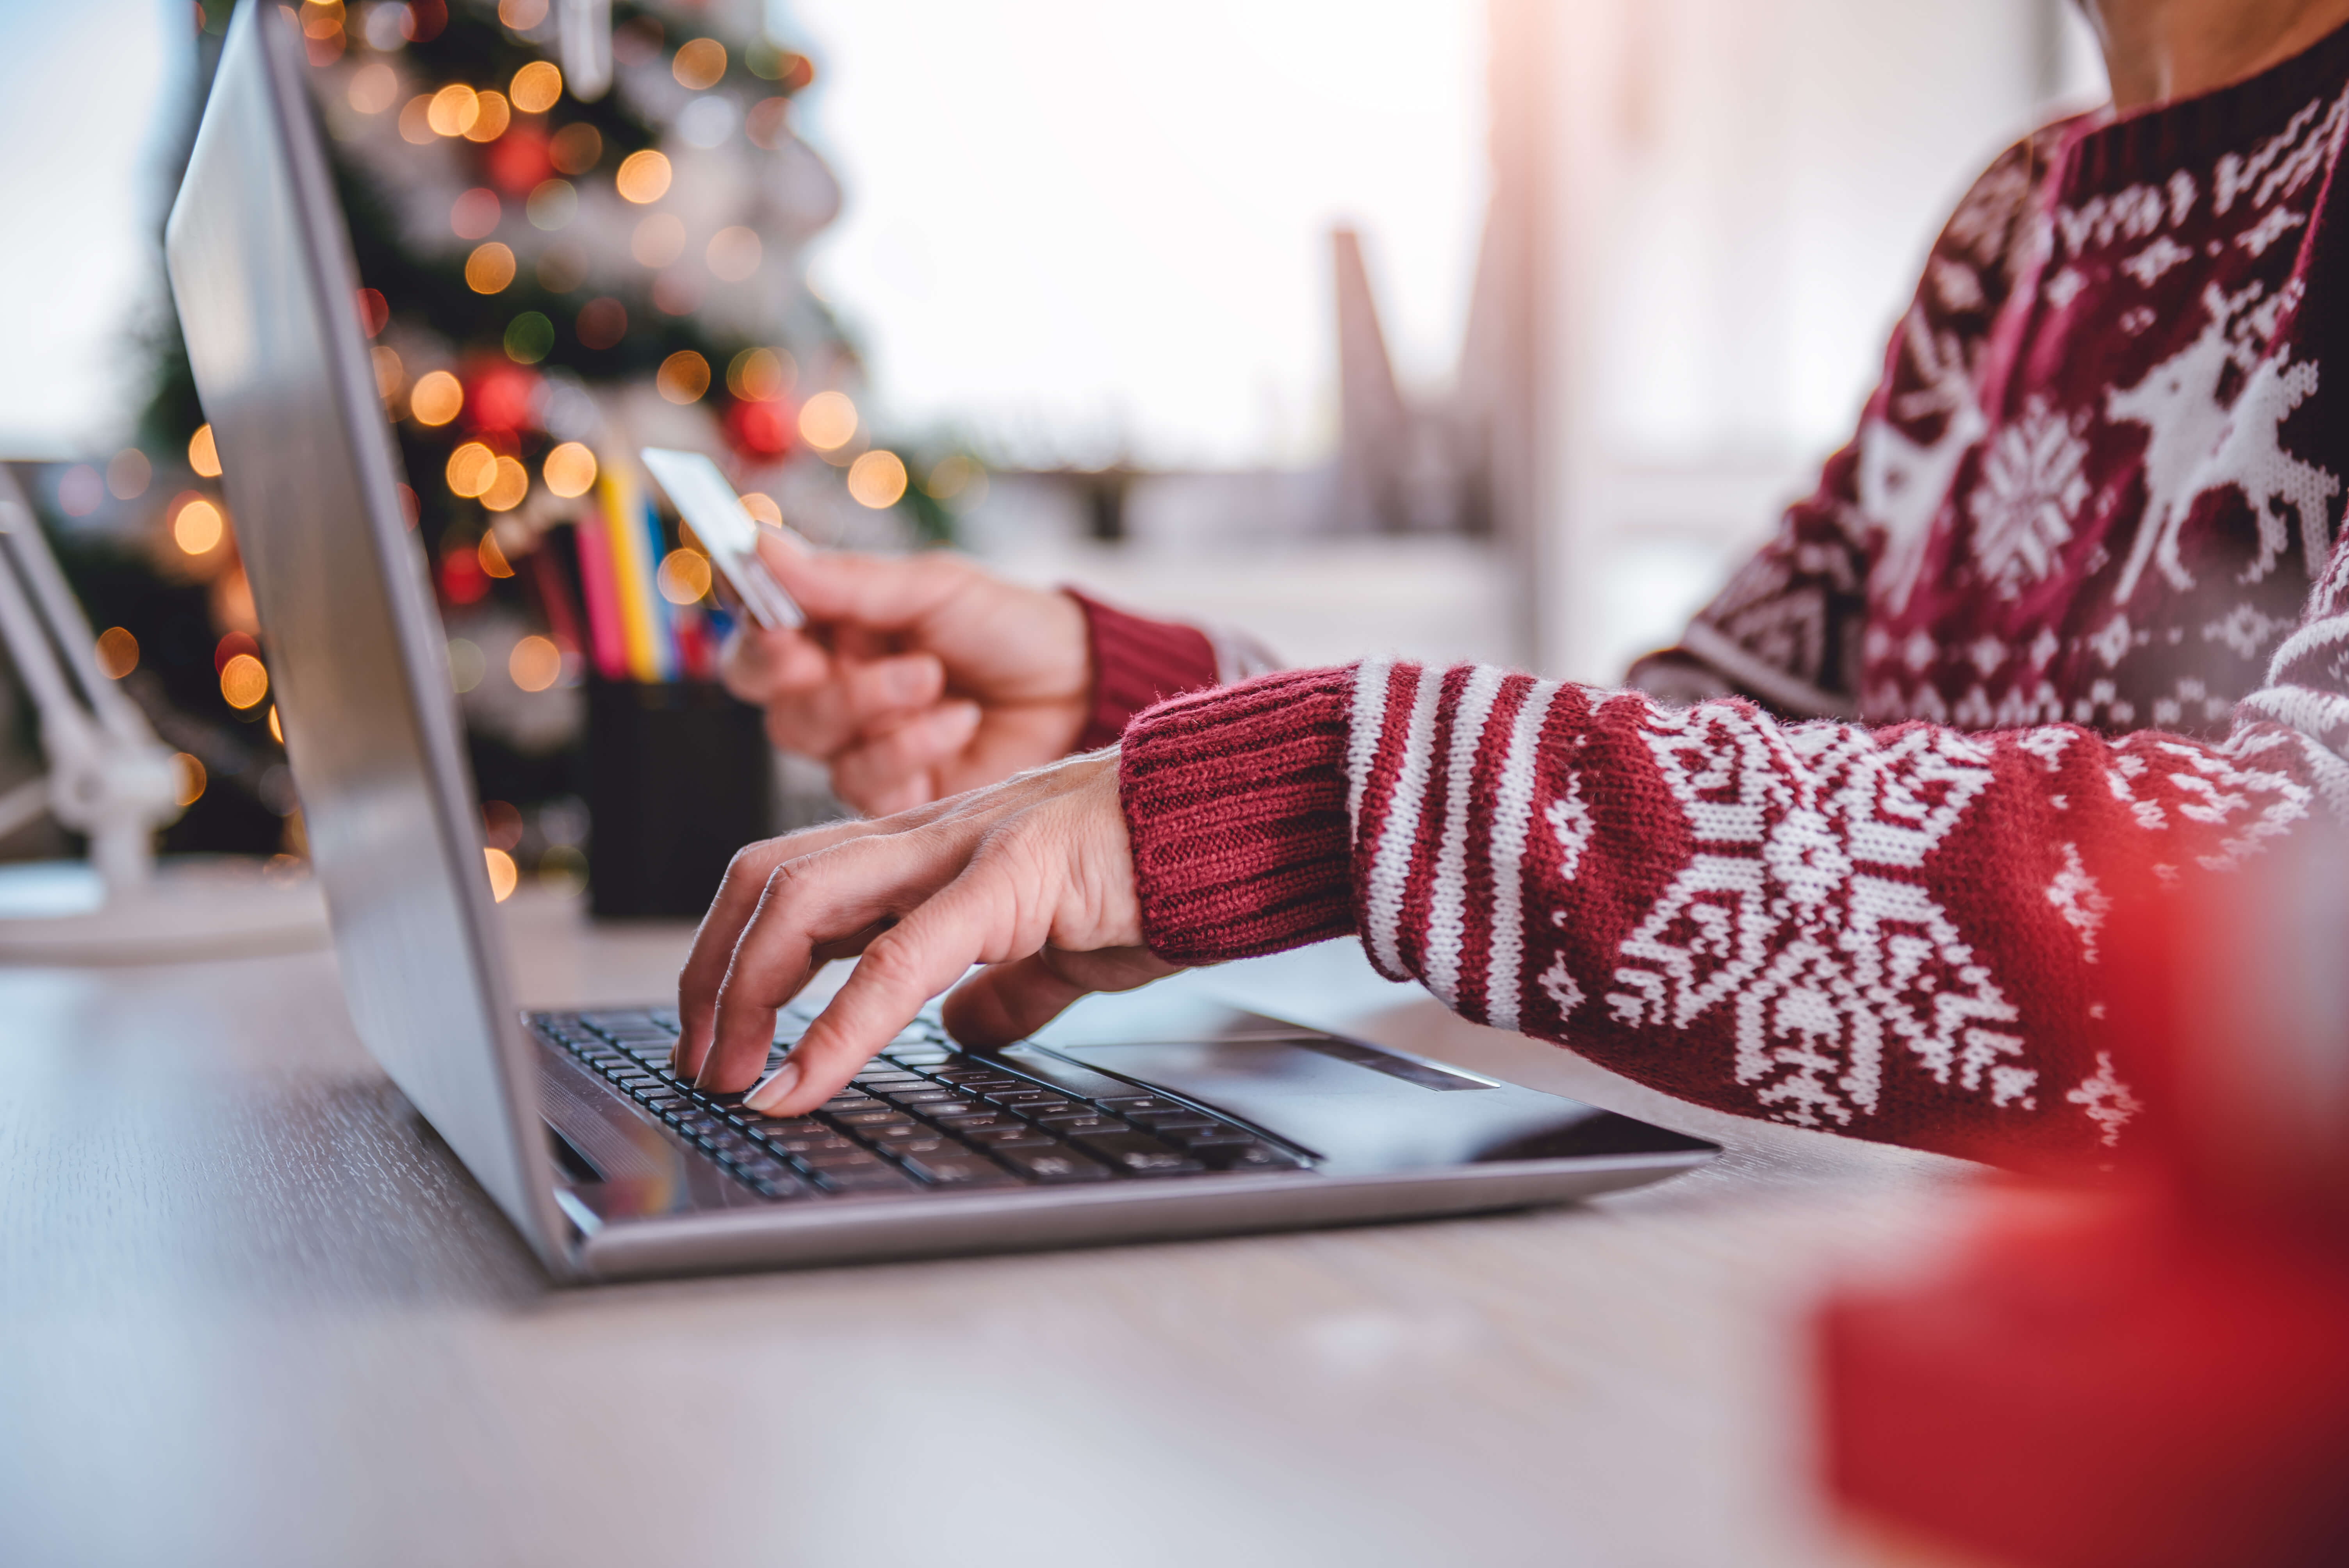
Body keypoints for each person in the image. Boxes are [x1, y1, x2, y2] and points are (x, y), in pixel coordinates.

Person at [672, 0, 2349, 1165]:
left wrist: (1318, 795)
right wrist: (1147, 730)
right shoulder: (2017, 221)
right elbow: (1716, 738)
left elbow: (2295, 916)